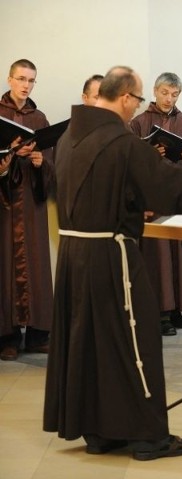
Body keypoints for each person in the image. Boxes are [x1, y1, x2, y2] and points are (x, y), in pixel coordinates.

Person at [43, 66, 182, 460]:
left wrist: (125, 204)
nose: (137, 107)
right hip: (113, 257)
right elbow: (162, 183)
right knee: (135, 341)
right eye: (139, 99)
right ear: (126, 97)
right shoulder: (119, 141)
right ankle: (147, 437)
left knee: (94, 344)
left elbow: (81, 191)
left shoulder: (67, 136)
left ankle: (101, 431)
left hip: (76, 256)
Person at [130, 72, 182, 336]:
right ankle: (159, 313)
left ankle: (177, 310)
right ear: (155, 91)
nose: (168, 98)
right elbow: (128, 161)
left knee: (180, 253)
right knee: (157, 257)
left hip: (180, 198)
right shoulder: (139, 123)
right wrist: (149, 154)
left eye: (174, 94)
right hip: (154, 199)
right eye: (164, 92)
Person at [0, 59, 54, 361]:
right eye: (21, 79)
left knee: (34, 265)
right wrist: (5, 164)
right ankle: (7, 337)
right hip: (5, 205)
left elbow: (50, 161)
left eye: (31, 80)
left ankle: (37, 334)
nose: (26, 85)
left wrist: (39, 162)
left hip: (32, 206)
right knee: (6, 266)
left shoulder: (40, 117)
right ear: (9, 79)